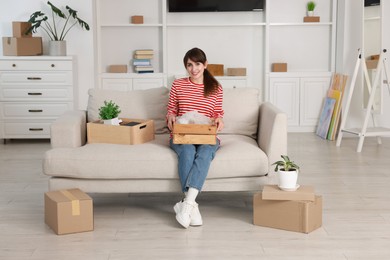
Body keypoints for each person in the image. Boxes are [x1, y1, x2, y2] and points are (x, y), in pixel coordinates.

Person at [166, 47, 224, 228]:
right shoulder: (178, 85)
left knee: (206, 152)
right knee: (188, 152)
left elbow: (217, 113)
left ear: (205, 65)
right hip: (183, 135)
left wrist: (219, 120)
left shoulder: (215, 87)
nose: (194, 69)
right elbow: (171, 110)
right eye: (189, 65)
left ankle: (186, 204)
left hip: (206, 135)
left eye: (198, 64)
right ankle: (192, 206)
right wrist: (170, 118)